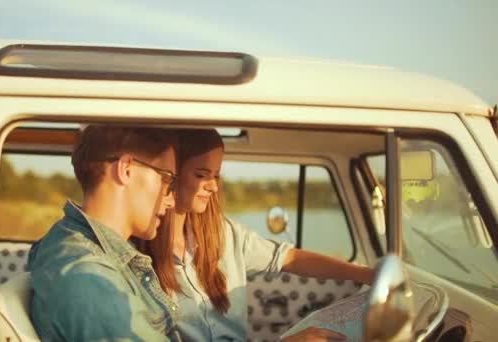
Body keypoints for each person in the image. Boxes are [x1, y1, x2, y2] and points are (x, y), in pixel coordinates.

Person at [138, 129, 374, 341]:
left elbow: (289, 258)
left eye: (216, 176)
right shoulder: (138, 257)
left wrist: (364, 274)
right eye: (201, 175)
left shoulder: (224, 234)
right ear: (171, 175)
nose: (214, 186)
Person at [27, 125, 182, 341]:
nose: (172, 200)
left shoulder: (77, 246)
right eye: (167, 180)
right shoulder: (87, 278)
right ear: (126, 169)